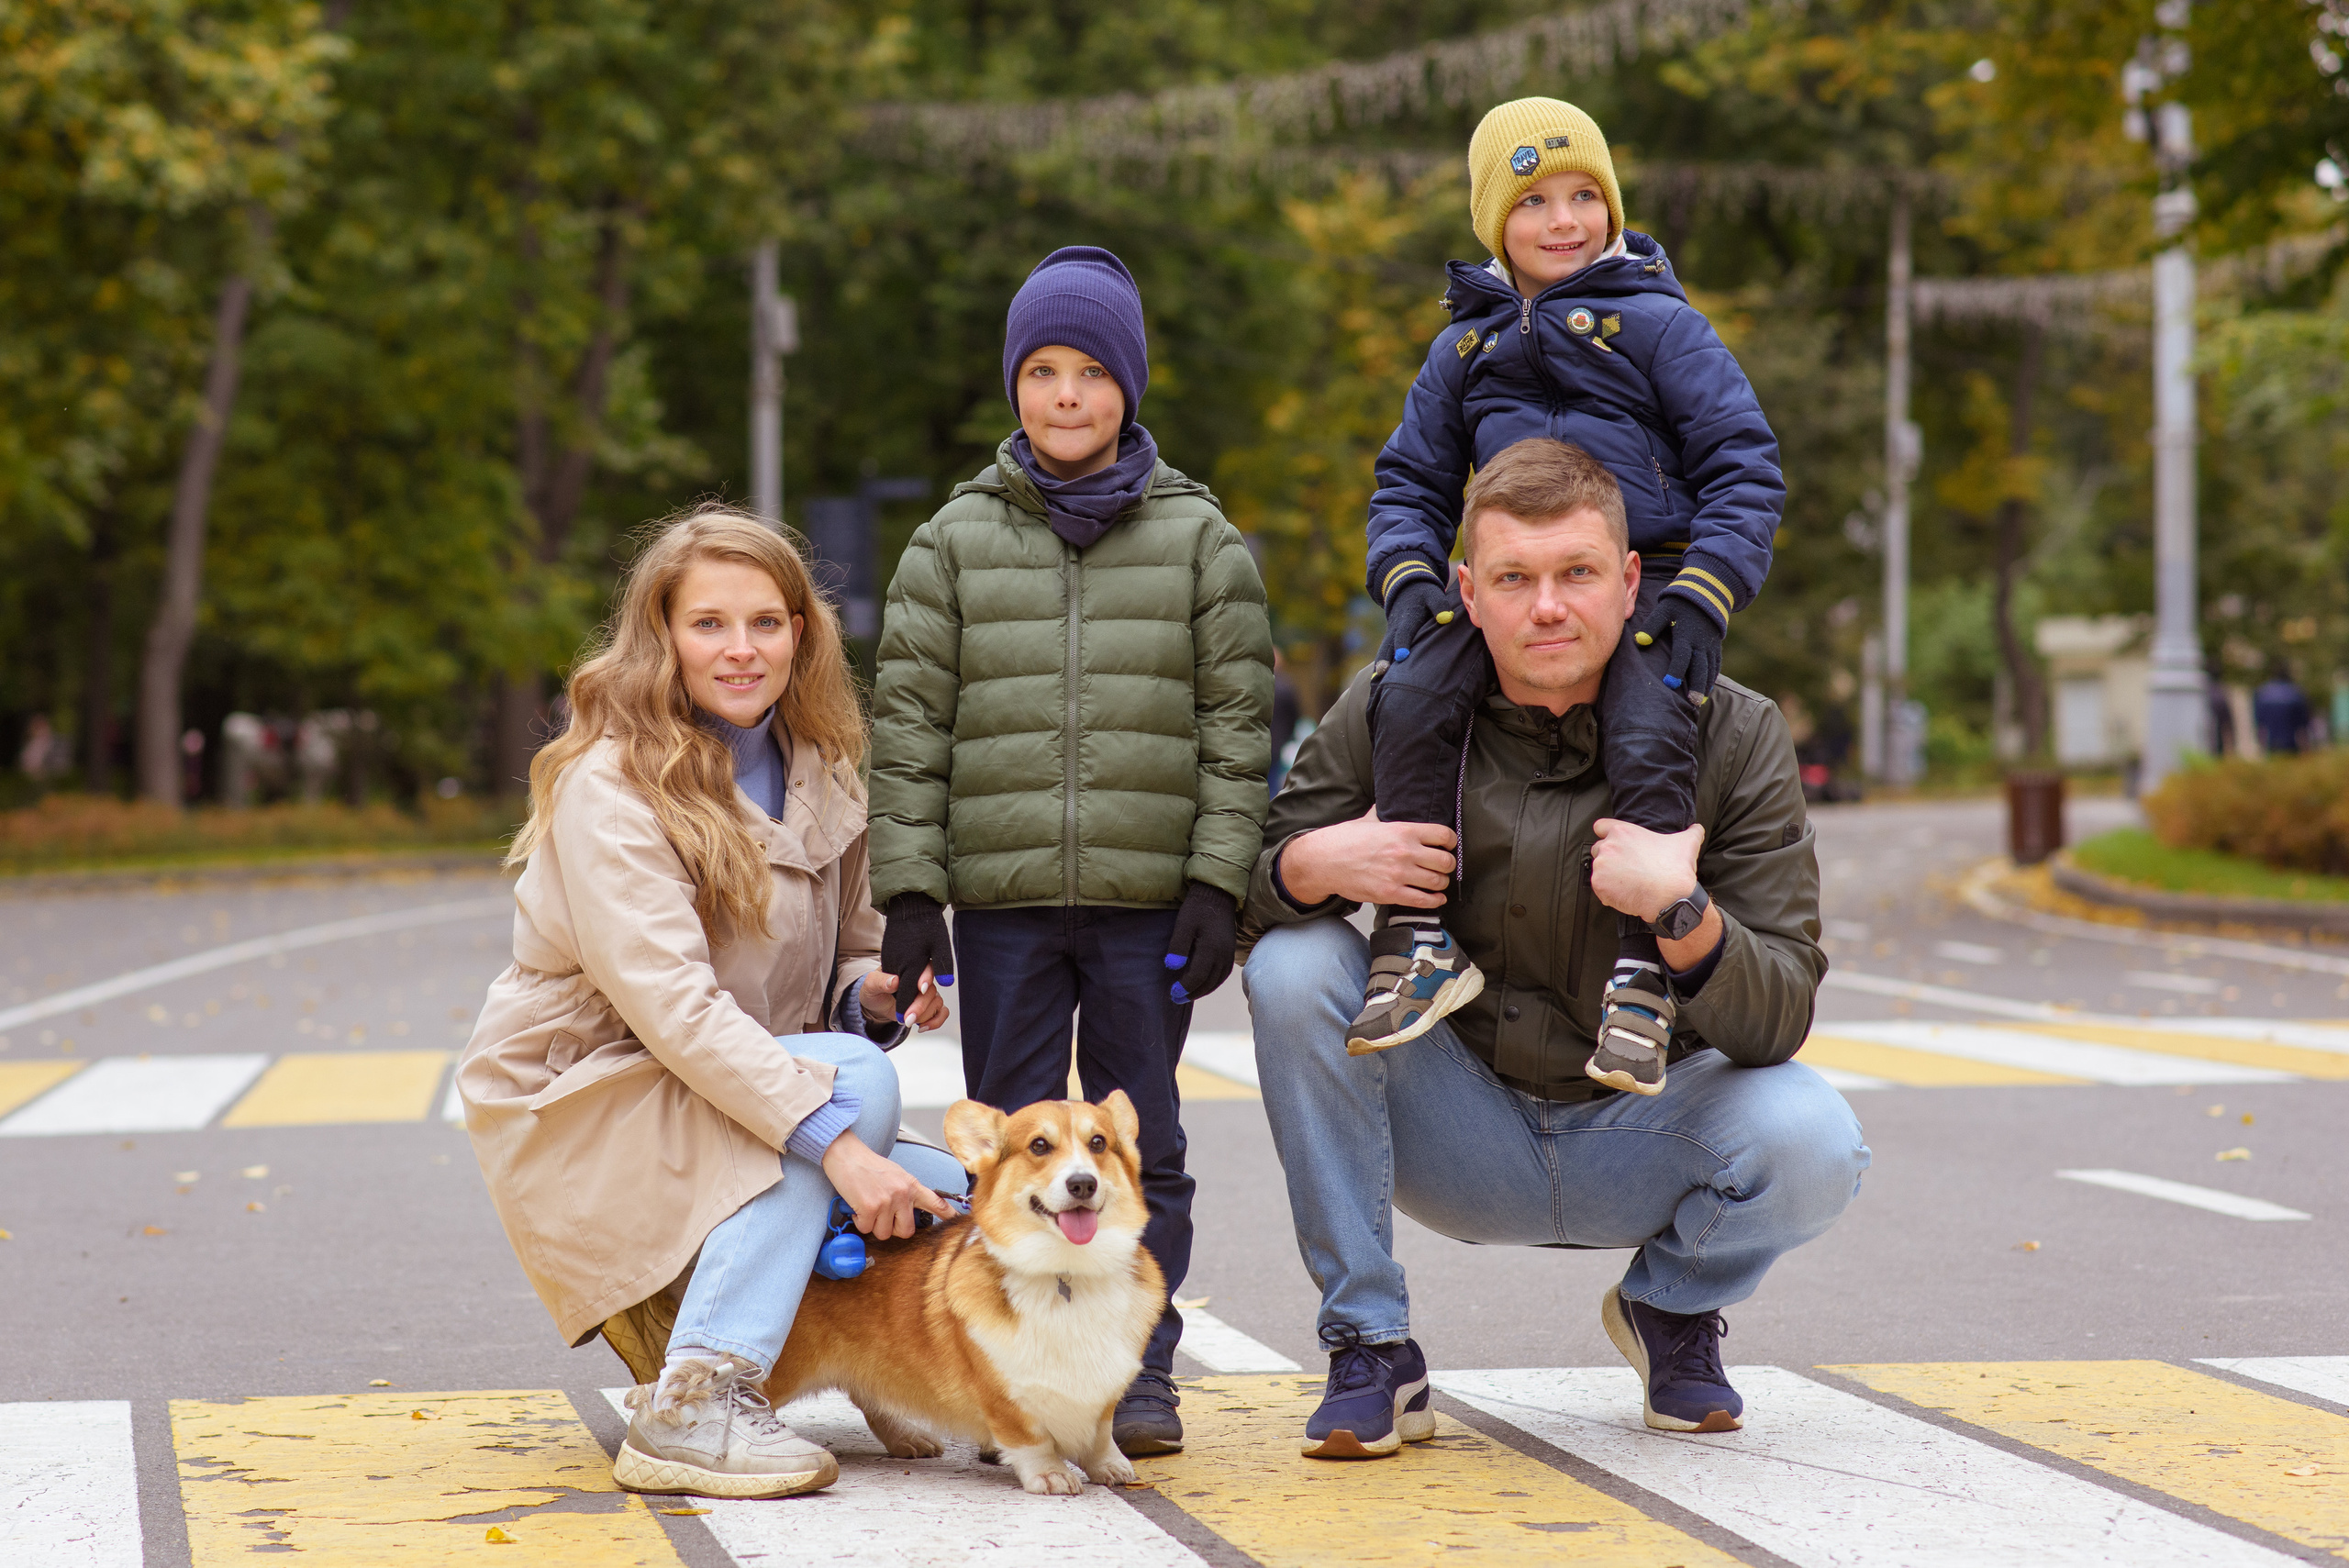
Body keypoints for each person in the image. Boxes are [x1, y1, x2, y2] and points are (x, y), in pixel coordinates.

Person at [1241, 439, 1866, 1454]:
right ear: (1464, 590)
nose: (1546, 607)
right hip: (1454, 1123)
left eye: (1576, 573)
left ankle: (1670, 1306)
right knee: (1293, 962)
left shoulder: (1733, 731)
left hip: (1645, 1121)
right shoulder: (1393, 703)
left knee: (1815, 1138)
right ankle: (1368, 1342)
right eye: (1513, 578)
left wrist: (1680, 912)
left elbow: (1779, 1012)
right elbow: (1237, 897)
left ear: (1629, 584)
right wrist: (1313, 862)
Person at [459, 506, 959, 1500]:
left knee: (968, 1197)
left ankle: (877, 1366)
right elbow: (675, 1010)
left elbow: (846, 967)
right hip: (589, 1101)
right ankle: (695, 1395)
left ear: (802, 634)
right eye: (709, 624)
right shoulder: (610, 784)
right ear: (662, 636)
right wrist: (842, 1147)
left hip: (729, 1090)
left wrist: (877, 992)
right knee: (851, 1102)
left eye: (767, 622)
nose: (741, 650)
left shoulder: (825, 766)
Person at [868, 245, 1275, 1457]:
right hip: (1001, 910)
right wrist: (909, 894)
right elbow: (908, 723)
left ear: (1128, 389)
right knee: (1012, 1151)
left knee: (1143, 1132)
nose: (1063, 396)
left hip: (1152, 902)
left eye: (1090, 372)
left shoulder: (1203, 543)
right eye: (1041, 370)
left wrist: (1216, 880)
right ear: (1014, 387)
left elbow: (1237, 722)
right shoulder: (951, 544)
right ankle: (1016, 1367)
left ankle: (1137, 1375)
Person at [1348, 96, 1785, 1104]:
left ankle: (1642, 967)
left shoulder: (1662, 324)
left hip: (1652, 577)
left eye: (1586, 194)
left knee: (1647, 719)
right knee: (1409, 691)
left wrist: (1709, 590)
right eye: (1534, 198)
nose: (1564, 219)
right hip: (1511, 584)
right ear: (1492, 219)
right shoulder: (1461, 349)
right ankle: (1417, 936)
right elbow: (1408, 483)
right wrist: (1409, 577)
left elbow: (1743, 463)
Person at [2253, 664, 2311, 756]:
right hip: (2291, 744)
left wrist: (2261, 748)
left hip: (2271, 744)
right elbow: (2303, 727)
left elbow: (2259, 724)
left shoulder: (2262, 693)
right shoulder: (2296, 693)